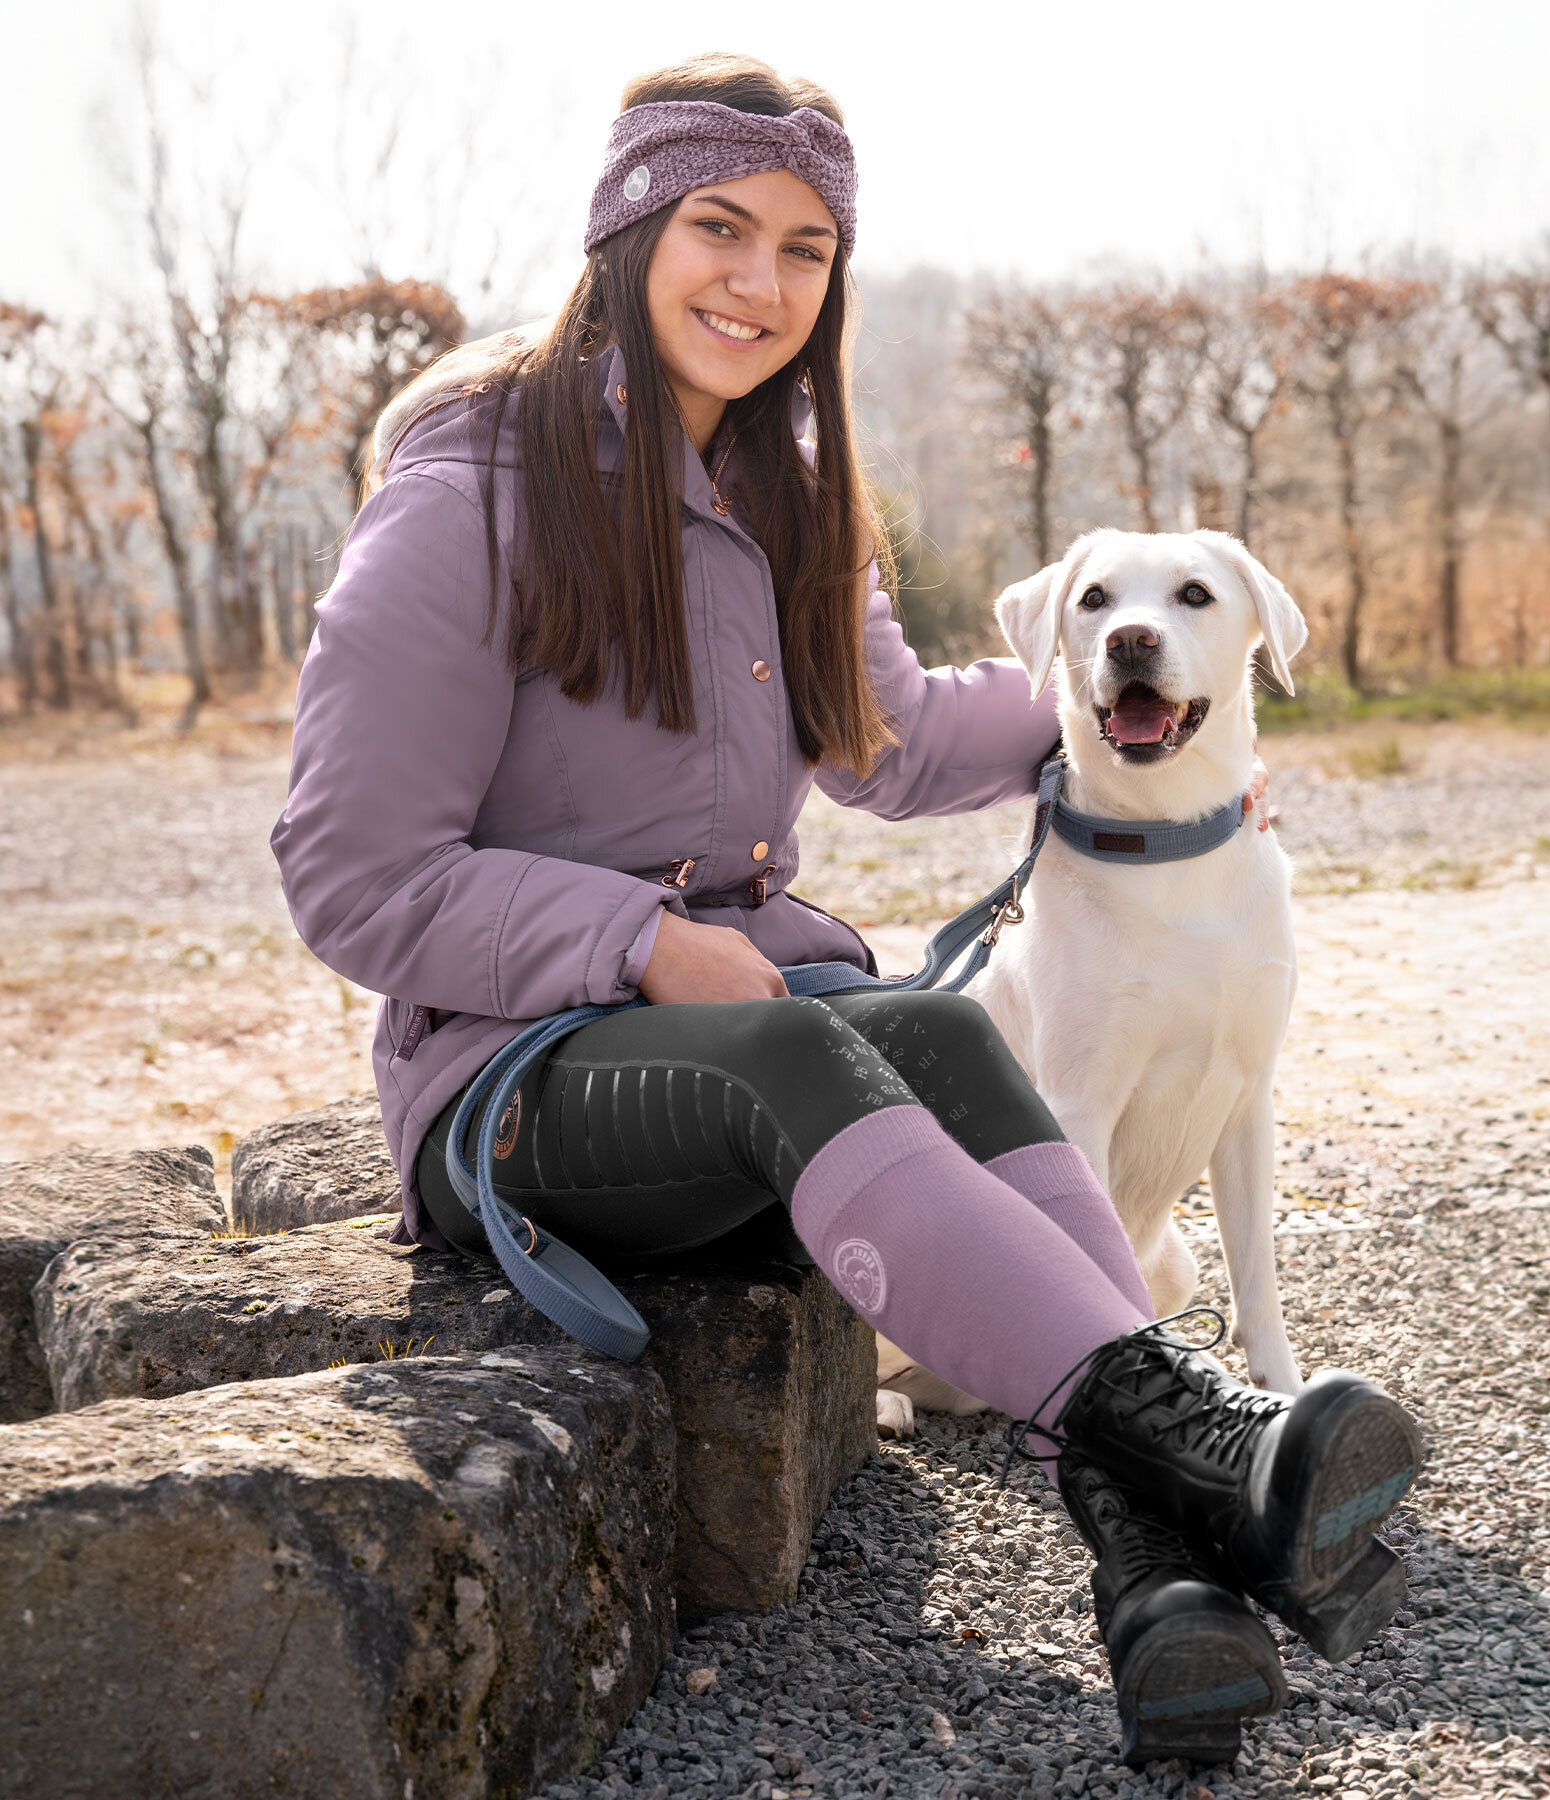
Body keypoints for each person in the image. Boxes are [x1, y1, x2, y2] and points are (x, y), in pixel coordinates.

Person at [271, 52, 1421, 1767]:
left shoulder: (785, 493)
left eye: (805, 250)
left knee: (945, 1025)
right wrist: (639, 943)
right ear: (628, 231)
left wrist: (1158, 733)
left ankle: (1152, 1583)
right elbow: (349, 876)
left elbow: (885, 740)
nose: (760, 282)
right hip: (509, 1091)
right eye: (720, 229)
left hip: (736, 1032)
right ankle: (1216, 1447)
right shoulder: (469, 500)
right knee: (790, 1061)